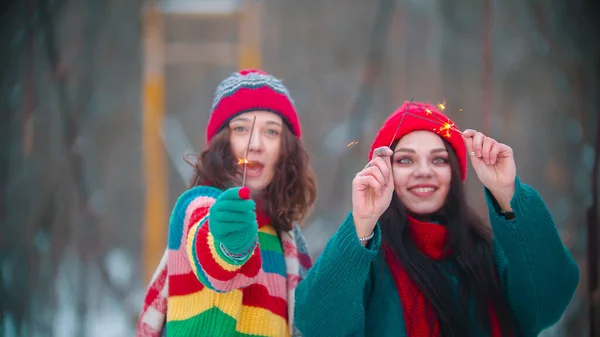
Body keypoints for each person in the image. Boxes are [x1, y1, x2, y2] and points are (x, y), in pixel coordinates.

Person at [294, 100, 579, 337]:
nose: (423, 171)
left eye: (439, 159)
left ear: (455, 172)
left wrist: (508, 194)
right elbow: (317, 324)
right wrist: (362, 222)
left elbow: (550, 300)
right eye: (405, 160)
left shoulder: (493, 254)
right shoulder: (364, 261)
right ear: (382, 173)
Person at [136, 69, 316, 337]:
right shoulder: (197, 207)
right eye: (241, 128)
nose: (255, 144)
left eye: (271, 132)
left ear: (286, 149)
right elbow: (213, 256)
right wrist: (230, 241)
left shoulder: (288, 240)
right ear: (223, 141)